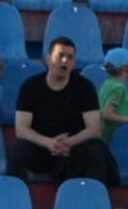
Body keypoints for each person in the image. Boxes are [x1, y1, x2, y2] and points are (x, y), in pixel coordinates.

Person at [10, 35, 114, 185]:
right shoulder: (31, 86)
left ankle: (95, 202)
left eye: (70, 57)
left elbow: (95, 129)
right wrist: (48, 142)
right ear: (48, 59)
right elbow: (21, 128)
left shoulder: (85, 87)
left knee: (95, 150)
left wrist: (69, 142)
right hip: (42, 148)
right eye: (60, 56)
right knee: (18, 149)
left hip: (72, 150)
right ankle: (16, 201)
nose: (65, 61)